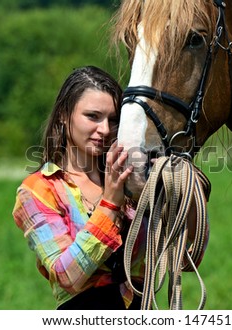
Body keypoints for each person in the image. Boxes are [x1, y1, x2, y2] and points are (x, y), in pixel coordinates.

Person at [12, 66, 145, 309]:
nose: (105, 129)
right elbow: (67, 276)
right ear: (64, 114)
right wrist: (110, 204)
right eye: (93, 116)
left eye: (113, 120)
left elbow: (187, 258)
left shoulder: (132, 180)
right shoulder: (39, 190)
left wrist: (186, 189)